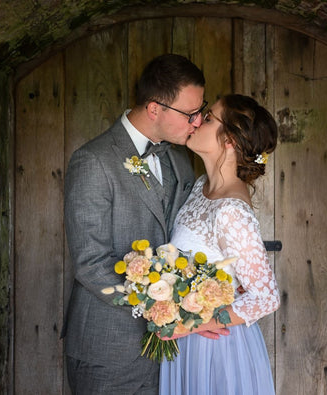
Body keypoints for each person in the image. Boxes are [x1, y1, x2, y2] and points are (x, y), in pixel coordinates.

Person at [62, 54, 207, 394]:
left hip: (171, 352)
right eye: (190, 113)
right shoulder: (93, 161)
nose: (198, 121)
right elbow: (90, 262)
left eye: (201, 111)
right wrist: (159, 306)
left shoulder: (180, 159)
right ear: (155, 109)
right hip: (106, 350)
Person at [159, 94, 281, 395]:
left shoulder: (231, 212)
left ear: (229, 141)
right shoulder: (201, 186)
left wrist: (192, 325)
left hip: (216, 348)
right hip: (189, 341)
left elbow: (267, 298)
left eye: (209, 118)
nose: (197, 120)